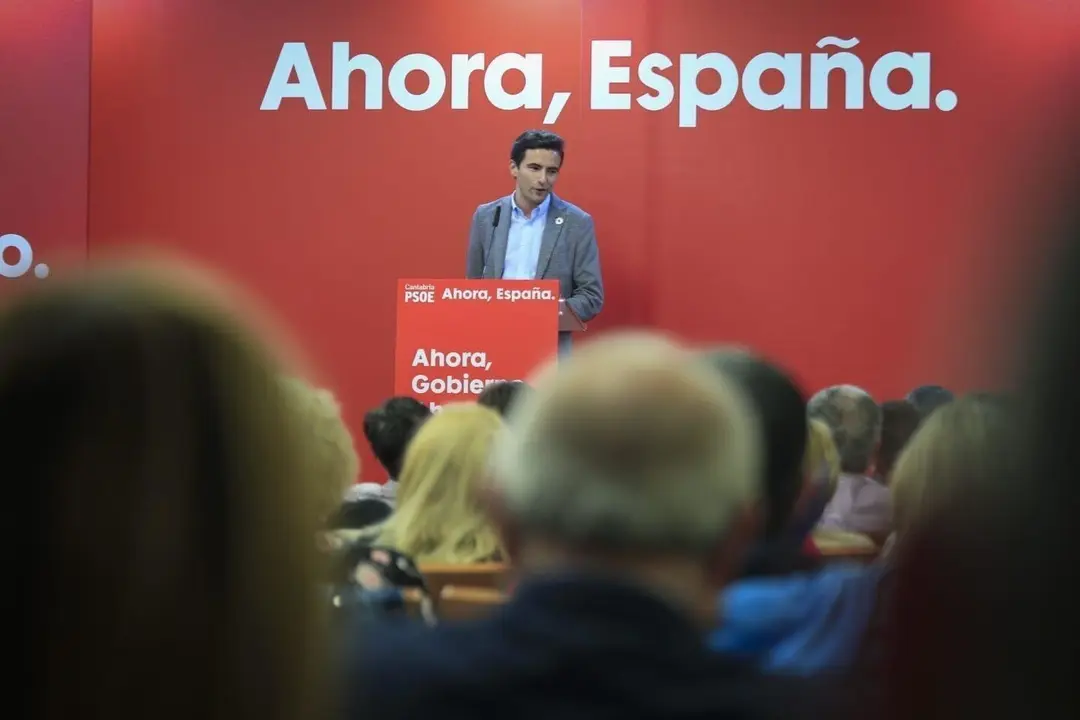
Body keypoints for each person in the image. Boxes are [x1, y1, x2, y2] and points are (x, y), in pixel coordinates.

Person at [465, 130, 604, 355]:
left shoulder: (577, 222)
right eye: (534, 168)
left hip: (548, 352)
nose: (543, 180)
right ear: (514, 168)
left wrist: (542, 315)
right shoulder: (486, 217)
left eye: (552, 171)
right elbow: (472, 288)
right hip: (492, 344)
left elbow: (591, 296)